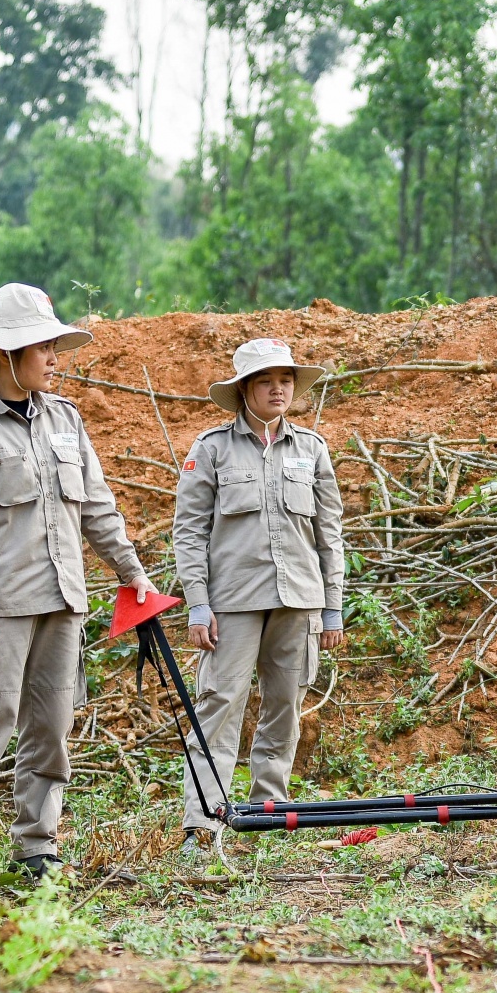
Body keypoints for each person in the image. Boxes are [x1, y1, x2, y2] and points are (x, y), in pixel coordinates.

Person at [0, 283, 155, 879]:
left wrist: (132, 573)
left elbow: (97, 508)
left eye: (55, 346)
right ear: (7, 354)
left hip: (62, 602)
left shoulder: (65, 419)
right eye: (43, 348)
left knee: (51, 731)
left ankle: (37, 848)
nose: (54, 359)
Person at [173, 339, 345, 854]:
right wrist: (198, 603)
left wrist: (333, 607)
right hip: (232, 603)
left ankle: (270, 811)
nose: (278, 389)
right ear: (244, 389)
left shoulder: (311, 449)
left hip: (299, 600)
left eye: (286, 380)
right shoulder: (211, 449)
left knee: (285, 705)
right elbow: (189, 532)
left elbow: (329, 533)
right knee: (220, 704)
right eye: (266, 381)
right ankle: (204, 823)